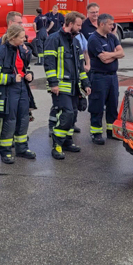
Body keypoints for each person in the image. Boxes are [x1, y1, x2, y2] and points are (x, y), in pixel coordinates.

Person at [43, 12, 91, 160]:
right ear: (69, 24)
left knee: (73, 115)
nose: (80, 28)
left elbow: (80, 67)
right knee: (66, 114)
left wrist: (86, 84)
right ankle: (57, 145)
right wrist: (53, 84)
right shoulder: (54, 39)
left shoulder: (76, 42)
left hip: (75, 86)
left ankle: (68, 141)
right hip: (61, 86)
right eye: (78, 25)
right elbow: (49, 63)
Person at [0, 24, 37, 164]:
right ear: (13, 37)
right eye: (21, 38)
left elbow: (23, 68)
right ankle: (5, 151)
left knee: (23, 118)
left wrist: (29, 75)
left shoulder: (21, 50)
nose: (24, 40)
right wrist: (10, 78)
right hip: (8, 91)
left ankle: (22, 148)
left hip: (22, 88)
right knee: (10, 121)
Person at [87, 14, 124, 145]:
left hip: (112, 77)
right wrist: (115, 55)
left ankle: (111, 131)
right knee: (97, 105)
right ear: (102, 24)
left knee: (113, 105)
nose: (112, 26)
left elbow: (122, 53)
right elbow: (104, 59)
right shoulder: (93, 39)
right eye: (110, 24)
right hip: (99, 77)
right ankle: (96, 133)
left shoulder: (112, 37)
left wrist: (110, 54)